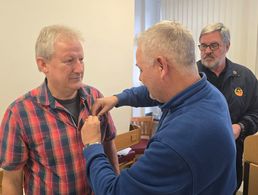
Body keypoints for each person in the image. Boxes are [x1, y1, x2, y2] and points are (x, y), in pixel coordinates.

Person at [81, 21, 236, 195]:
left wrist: (92, 144)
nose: (140, 78)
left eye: (140, 69)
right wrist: (118, 99)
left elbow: (113, 191)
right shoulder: (210, 95)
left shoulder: (176, 141)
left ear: (162, 66)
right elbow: (153, 93)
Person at [0, 25, 119, 194]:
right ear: (43, 64)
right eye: (69, 60)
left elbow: (109, 146)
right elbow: (12, 181)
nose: (79, 69)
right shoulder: (19, 113)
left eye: (81, 59)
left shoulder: (96, 98)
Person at [196, 22, 258, 193]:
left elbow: (256, 112)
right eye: (203, 45)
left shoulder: (245, 77)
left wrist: (240, 127)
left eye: (213, 45)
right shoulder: (189, 75)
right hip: (195, 156)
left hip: (231, 159)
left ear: (227, 46)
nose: (207, 51)